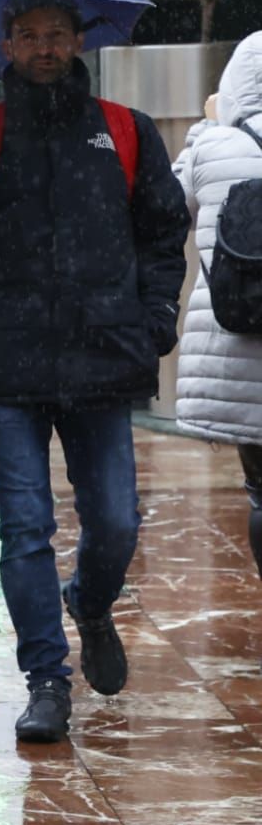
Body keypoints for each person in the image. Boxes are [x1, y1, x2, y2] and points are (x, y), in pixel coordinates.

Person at [0, 0, 190, 743]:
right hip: (10, 367)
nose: (43, 47)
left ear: (76, 42)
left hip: (104, 358)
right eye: (27, 35)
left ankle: (91, 603)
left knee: (114, 521)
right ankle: (44, 679)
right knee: (23, 526)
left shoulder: (125, 132)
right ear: (6, 46)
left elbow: (163, 233)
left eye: (56, 35)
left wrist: (155, 319)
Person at [173, 33, 262, 596]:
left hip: (239, 343)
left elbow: (167, 206)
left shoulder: (212, 144)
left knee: (261, 490)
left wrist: (208, 126)